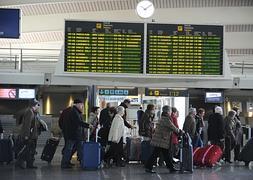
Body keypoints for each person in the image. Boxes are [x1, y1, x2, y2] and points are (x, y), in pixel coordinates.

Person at [145, 105, 182, 173]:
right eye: (170, 111)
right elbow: (173, 127)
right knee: (156, 154)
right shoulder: (166, 119)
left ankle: (170, 167)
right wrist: (180, 131)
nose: (171, 112)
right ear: (168, 111)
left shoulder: (163, 117)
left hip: (161, 139)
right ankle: (148, 167)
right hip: (161, 140)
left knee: (165, 154)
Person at [61, 99, 92, 169]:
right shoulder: (74, 112)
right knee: (70, 149)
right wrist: (88, 125)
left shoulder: (73, 111)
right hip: (74, 134)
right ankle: (65, 163)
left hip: (73, 134)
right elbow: (78, 122)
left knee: (74, 149)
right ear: (77, 104)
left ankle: (80, 163)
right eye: (81, 105)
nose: (82, 106)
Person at [15, 99, 44, 169]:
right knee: (27, 150)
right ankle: (20, 163)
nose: (38, 106)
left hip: (33, 135)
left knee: (31, 151)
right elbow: (27, 125)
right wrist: (26, 136)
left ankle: (29, 164)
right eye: (37, 104)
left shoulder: (33, 112)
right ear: (33, 105)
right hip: (30, 136)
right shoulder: (29, 112)